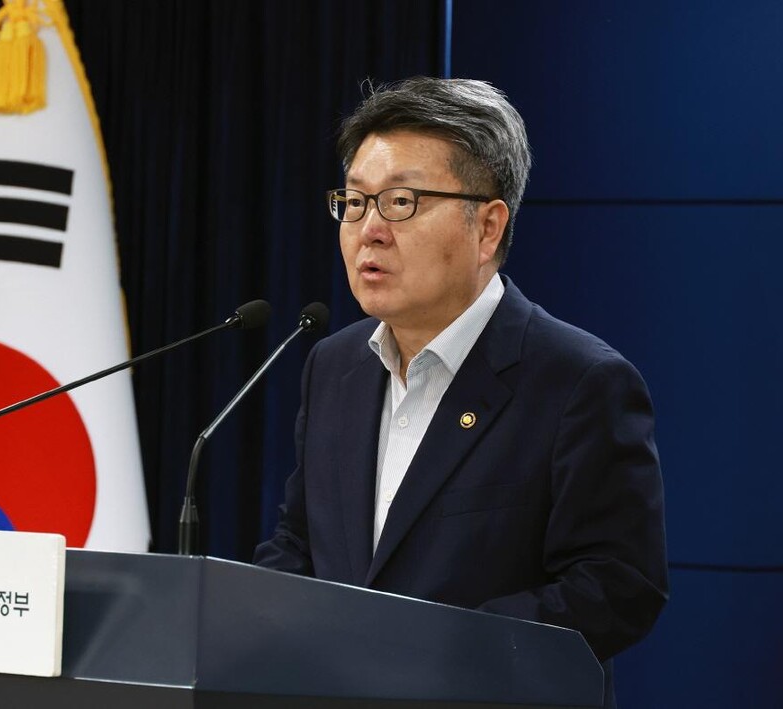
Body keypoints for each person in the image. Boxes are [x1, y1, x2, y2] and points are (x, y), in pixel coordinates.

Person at [254, 77, 668, 708]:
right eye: (355, 202)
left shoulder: (579, 381)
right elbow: (300, 542)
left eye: (401, 202)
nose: (369, 230)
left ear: (488, 228)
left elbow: (617, 587)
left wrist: (427, 653)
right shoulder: (333, 366)